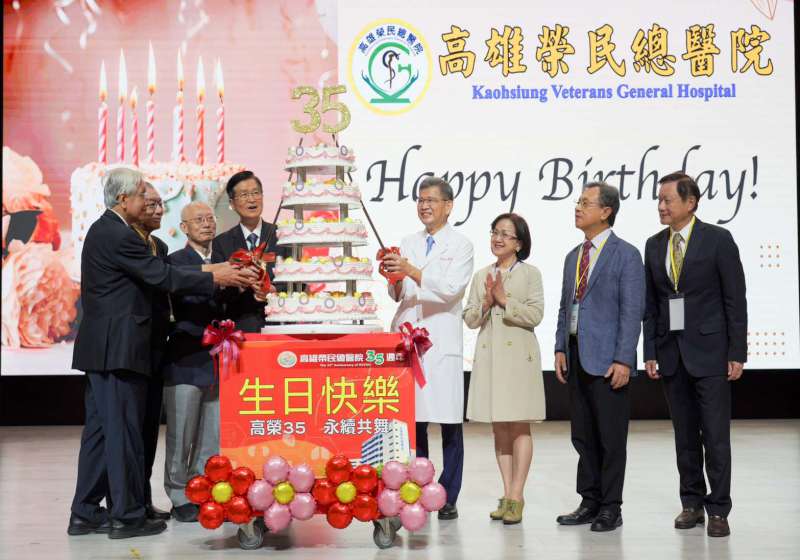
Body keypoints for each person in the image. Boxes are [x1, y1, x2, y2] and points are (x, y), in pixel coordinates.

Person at [68, 167, 256, 539]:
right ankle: (126, 516)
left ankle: (86, 512)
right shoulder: (115, 233)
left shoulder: (125, 234)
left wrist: (217, 270)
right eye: (144, 196)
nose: (153, 204)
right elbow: (163, 277)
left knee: (102, 435)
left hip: (123, 350)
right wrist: (215, 275)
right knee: (121, 434)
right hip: (116, 350)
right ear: (124, 199)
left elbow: (161, 273)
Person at [643, 172, 746, 538]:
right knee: (684, 436)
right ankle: (691, 503)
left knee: (715, 437)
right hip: (671, 354)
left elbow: (735, 299)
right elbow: (652, 305)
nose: (661, 206)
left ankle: (719, 509)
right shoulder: (654, 245)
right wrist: (650, 350)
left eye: (668, 200)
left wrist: (737, 351)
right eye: (659, 200)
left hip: (711, 353)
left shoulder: (718, 239)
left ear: (691, 202)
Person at [553, 182, 645, 532]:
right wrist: (560, 347)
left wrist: (624, 359)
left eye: (585, 203)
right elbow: (566, 307)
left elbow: (631, 312)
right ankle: (589, 501)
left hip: (609, 360)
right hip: (577, 355)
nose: (577, 207)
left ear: (606, 211)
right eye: (577, 201)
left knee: (610, 437)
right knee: (583, 435)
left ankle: (611, 507)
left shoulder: (626, 255)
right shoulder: (573, 256)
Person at [383, 176, 474, 520]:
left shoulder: (461, 245)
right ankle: (417, 489)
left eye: (431, 200)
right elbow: (402, 293)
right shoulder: (408, 242)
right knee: (414, 420)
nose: (424, 206)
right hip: (410, 339)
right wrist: (394, 279)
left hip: (441, 341)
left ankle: (448, 495)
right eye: (420, 200)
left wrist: (410, 270)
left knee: (449, 422)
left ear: (448, 206)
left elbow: (450, 290)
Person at [463, 213, 545, 525]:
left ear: (519, 243)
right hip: (491, 359)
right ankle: (507, 492)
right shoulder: (482, 274)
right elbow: (470, 319)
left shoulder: (530, 274)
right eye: (495, 232)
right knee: (499, 427)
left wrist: (504, 299)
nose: (498, 239)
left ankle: (517, 496)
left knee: (519, 426)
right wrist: (486, 302)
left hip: (519, 359)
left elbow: (535, 315)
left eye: (505, 234)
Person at [162, 202, 224, 522]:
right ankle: (177, 494)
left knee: (211, 434)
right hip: (185, 359)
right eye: (198, 220)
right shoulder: (175, 262)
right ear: (184, 228)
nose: (206, 224)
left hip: (218, 361)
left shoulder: (225, 260)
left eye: (210, 218)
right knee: (181, 433)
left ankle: (203, 489)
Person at [131, 183, 172, 522]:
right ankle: (128, 503)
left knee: (148, 431)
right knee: (130, 431)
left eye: (161, 204)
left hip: (156, 349)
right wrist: (211, 274)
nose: (159, 210)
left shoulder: (160, 245)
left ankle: (143, 499)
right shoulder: (127, 242)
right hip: (131, 350)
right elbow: (162, 279)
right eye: (152, 204)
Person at [212, 170, 287, 332]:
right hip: (241, 328)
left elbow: (300, 284)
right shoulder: (221, 243)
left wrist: (274, 290)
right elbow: (217, 294)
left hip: (280, 326)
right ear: (232, 203)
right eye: (244, 195)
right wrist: (239, 285)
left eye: (255, 193)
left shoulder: (283, 236)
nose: (252, 199)